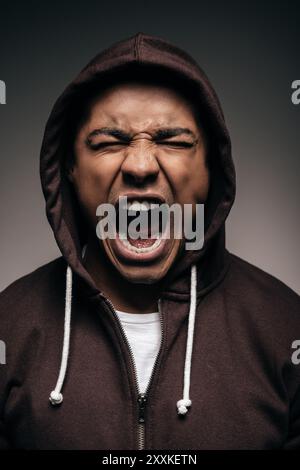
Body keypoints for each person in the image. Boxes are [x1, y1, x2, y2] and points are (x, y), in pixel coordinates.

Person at [0, 32, 299, 450]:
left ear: (212, 168)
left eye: (173, 141)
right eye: (109, 142)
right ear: (68, 166)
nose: (140, 165)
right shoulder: (8, 330)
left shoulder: (286, 328)